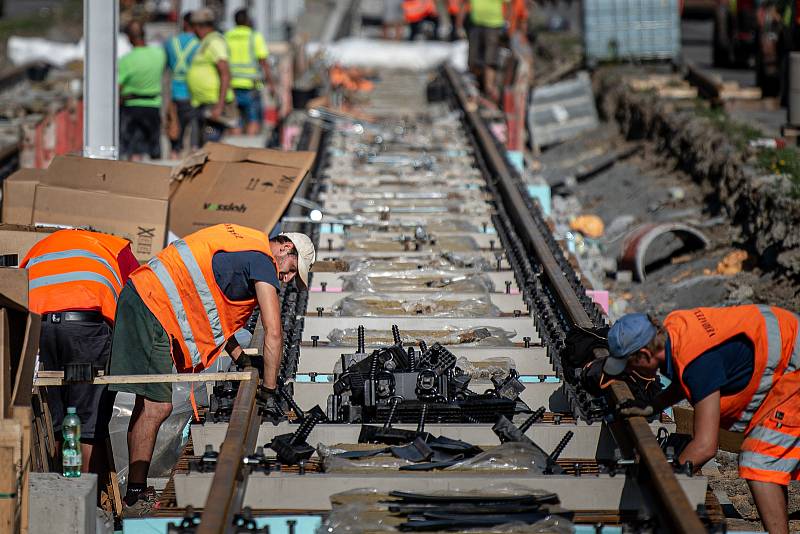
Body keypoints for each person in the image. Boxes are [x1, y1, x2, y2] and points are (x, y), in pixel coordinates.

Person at [107, 224, 315, 515]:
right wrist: (269, 388)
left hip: (147, 297)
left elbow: (210, 306)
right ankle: (134, 497)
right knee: (156, 408)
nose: (288, 278)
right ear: (285, 248)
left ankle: (135, 491)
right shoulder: (262, 261)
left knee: (150, 405)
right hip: (150, 303)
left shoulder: (244, 248)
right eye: (293, 269)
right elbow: (274, 332)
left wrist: (241, 356)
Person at [604, 307, 800, 534]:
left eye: (629, 364)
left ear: (646, 355)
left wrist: (666, 480)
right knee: (766, 453)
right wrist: (653, 405)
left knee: (759, 460)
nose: (630, 371)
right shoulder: (676, 329)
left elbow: (705, 447)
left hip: (793, 367)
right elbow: (687, 378)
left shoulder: (698, 363)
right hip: (788, 348)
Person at [20, 229, 139, 477]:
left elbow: (17, 286)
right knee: (87, 422)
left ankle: (51, 492)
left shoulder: (41, 247)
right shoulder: (115, 246)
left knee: (51, 419)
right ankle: (84, 503)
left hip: (38, 328)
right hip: (85, 328)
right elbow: (138, 297)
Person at [118, 21, 167, 160]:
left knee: (131, 148)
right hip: (153, 105)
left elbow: (118, 86)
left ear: (129, 38)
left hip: (131, 107)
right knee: (154, 145)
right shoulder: (159, 54)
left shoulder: (126, 60)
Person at [186, 8, 234, 144]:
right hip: (203, 104)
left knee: (211, 144)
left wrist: (219, 105)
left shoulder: (215, 42)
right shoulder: (205, 43)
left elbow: (225, 73)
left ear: (198, 26)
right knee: (201, 144)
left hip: (213, 106)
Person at [224, 9, 274, 136]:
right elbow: (264, 62)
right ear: (247, 21)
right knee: (253, 118)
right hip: (251, 85)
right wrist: (271, 83)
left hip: (231, 85)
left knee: (234, 120)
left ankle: (235, 150)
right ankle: (250, 149)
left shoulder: (227, 36)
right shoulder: (254, 36)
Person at [164, 12, 200, 159]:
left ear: (184, 23)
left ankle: (174, 153)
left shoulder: (171, 43)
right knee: (195, 127)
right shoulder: (199, 44)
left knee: (175, 125)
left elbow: (166, 67)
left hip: (175, 92)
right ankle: (194, 151)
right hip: (194, 93)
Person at [464, 0, 510, 103]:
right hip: (476, 23)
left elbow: (508, 4)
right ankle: (476, 89)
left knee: (490, 59)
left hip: (494, 25)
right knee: (473, 59)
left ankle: (489, 89)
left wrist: (506, 22)